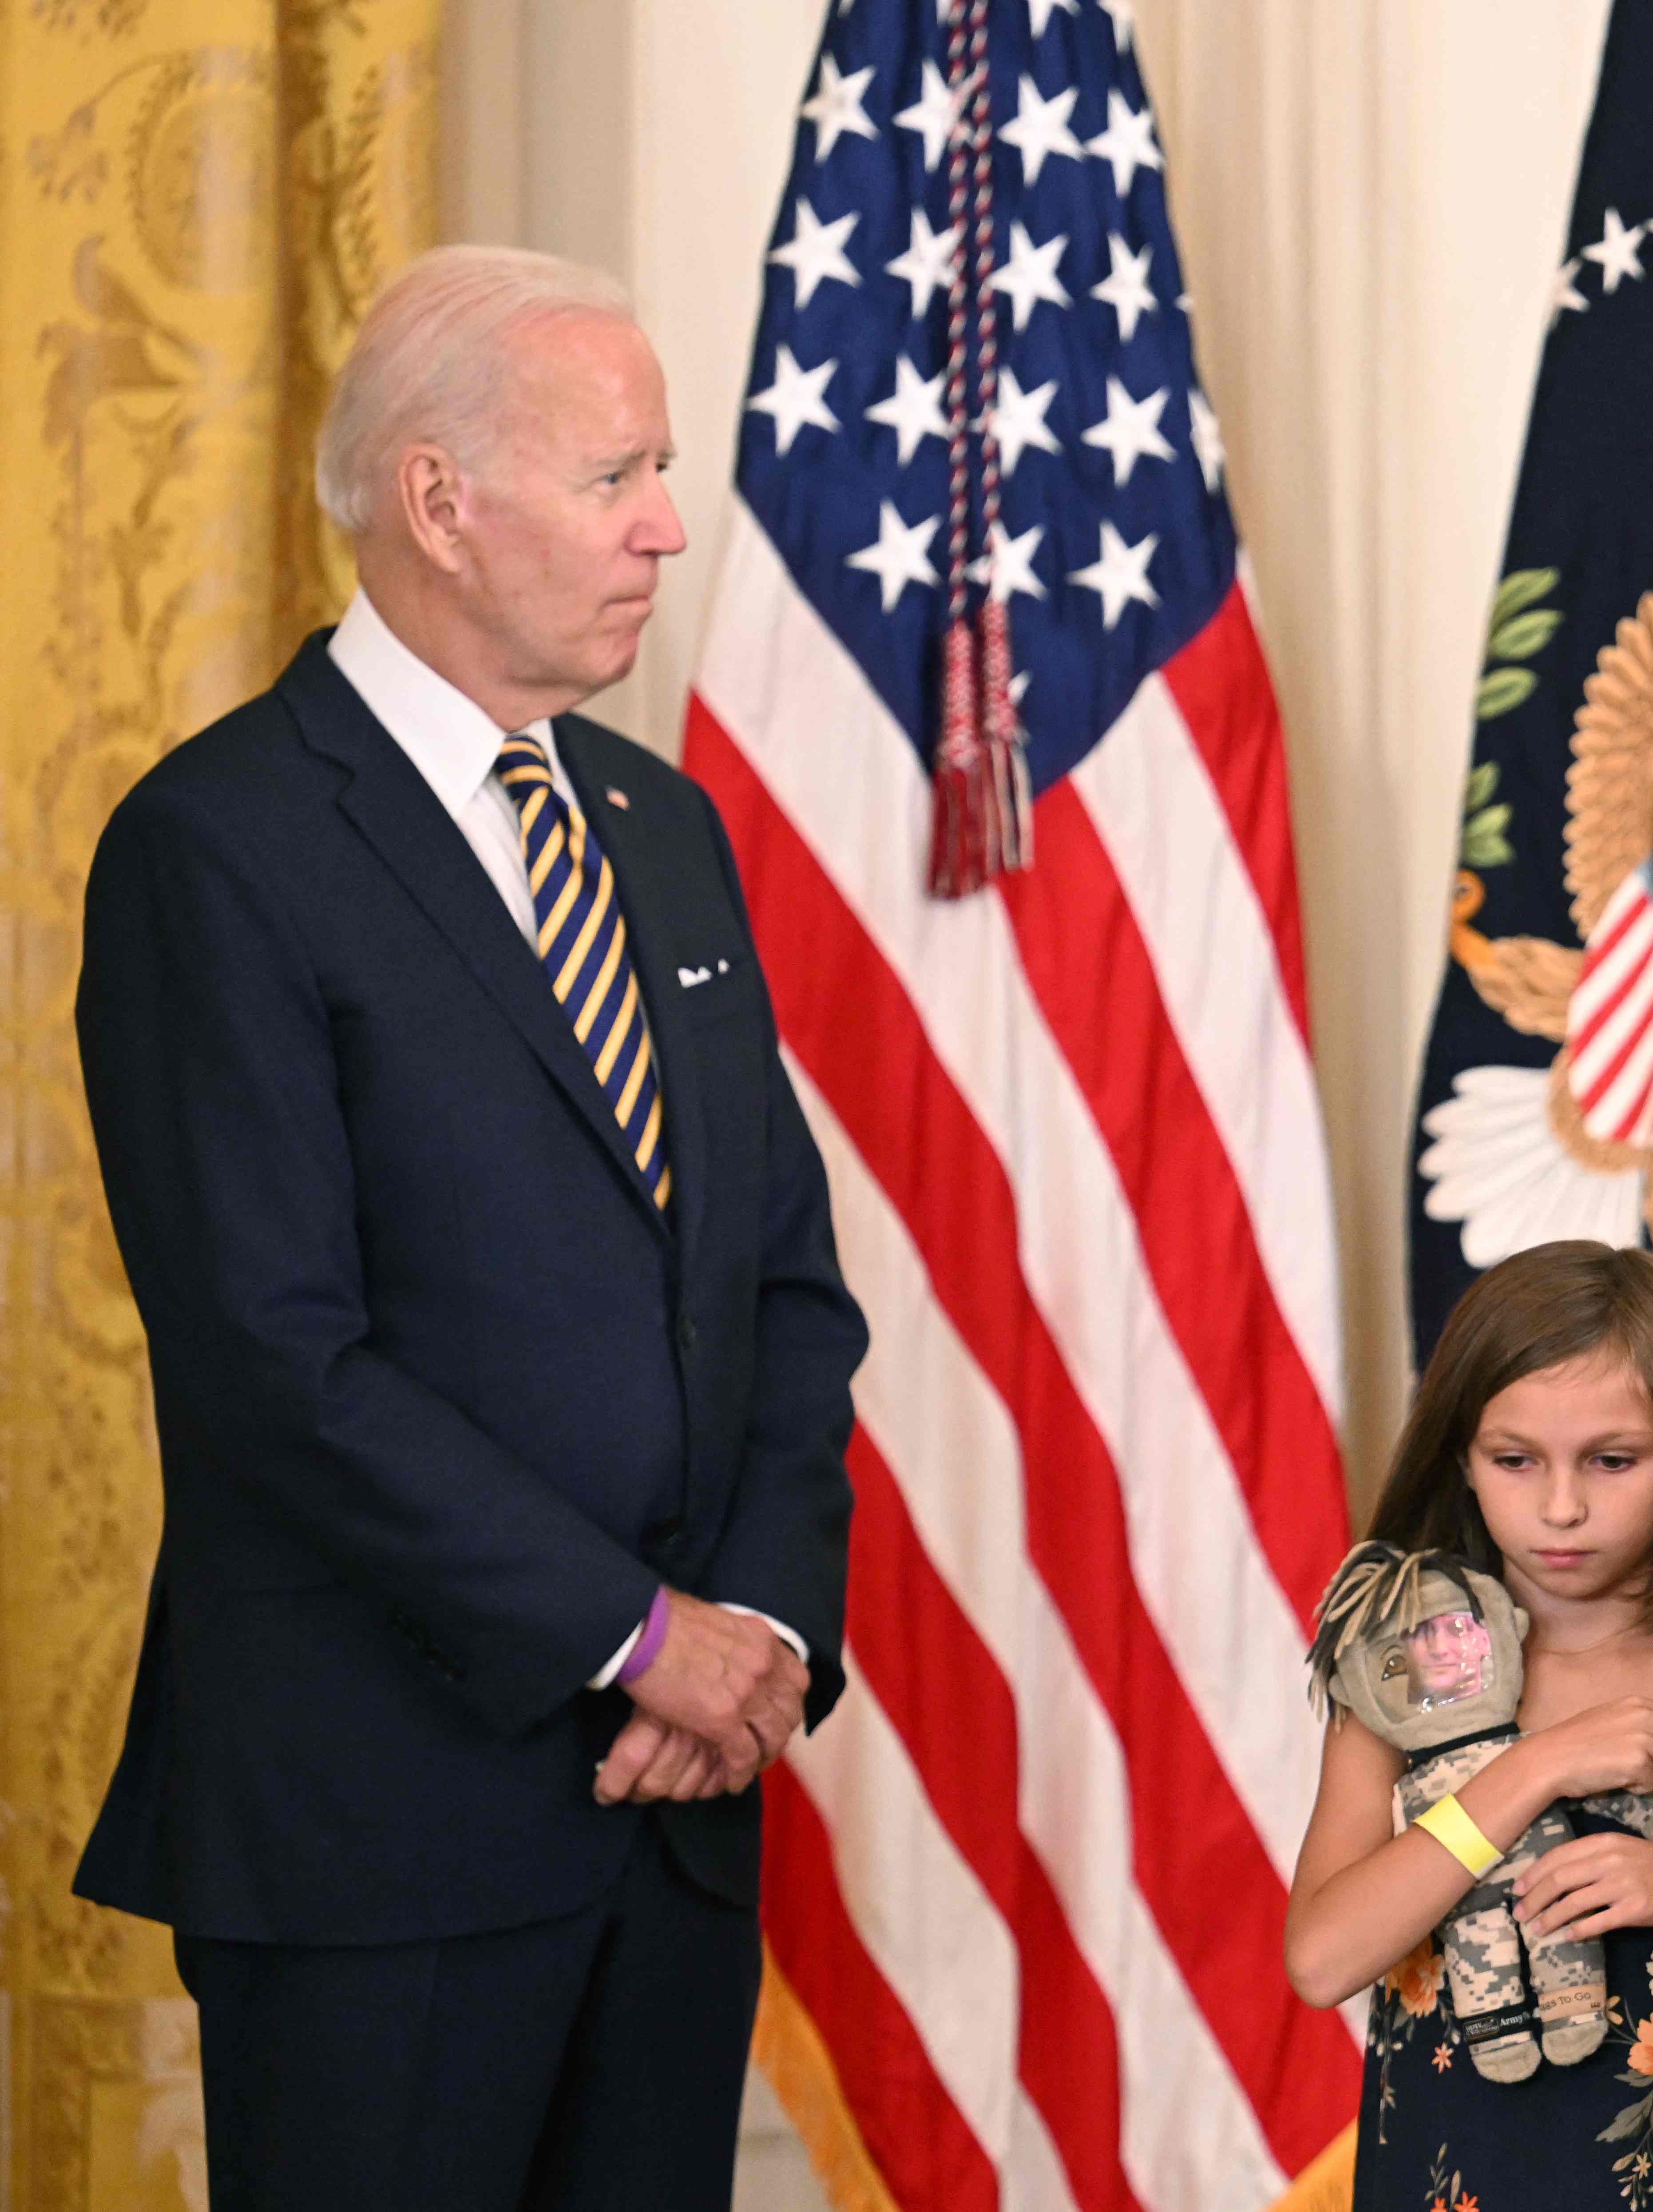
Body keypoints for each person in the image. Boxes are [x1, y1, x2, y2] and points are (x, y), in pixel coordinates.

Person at [70, 246, 865, 2208]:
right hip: (378, 1839)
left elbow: (777, 1285)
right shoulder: (220, 845)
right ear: (438, 500)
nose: (670, 527)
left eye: (659, 470)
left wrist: (747, 1635)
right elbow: (279, 1363)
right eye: (618, 477)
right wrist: (634, 1640)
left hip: (671, 1819)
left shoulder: (657, 825)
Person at [1287, 1240, 1653, 2210]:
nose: (1561, 1506)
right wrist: (1531, 1770)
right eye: (1514, 1460)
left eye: (1612, 1460)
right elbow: (1321, 1957)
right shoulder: (1402, 1673)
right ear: (1460, 1459)